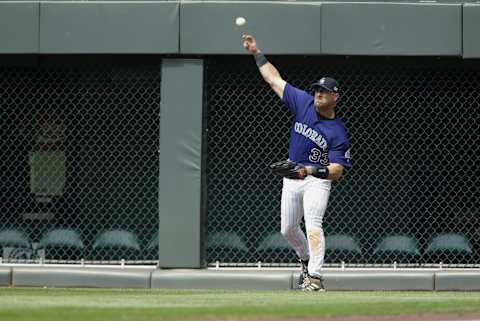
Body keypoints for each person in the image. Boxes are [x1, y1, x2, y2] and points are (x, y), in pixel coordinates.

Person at [242, 34, 352, 291]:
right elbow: (273, 79)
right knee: (288, 229)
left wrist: (310, 169)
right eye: (316, 89)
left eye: (324, 91)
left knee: (314, 225)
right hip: (292, 174)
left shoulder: (337, 131)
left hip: (316, 180)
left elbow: (337, 171)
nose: (318, 93)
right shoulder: (303, 101)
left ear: (335, 97)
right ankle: (305, 259)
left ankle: (314, 276)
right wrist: (257, 52)